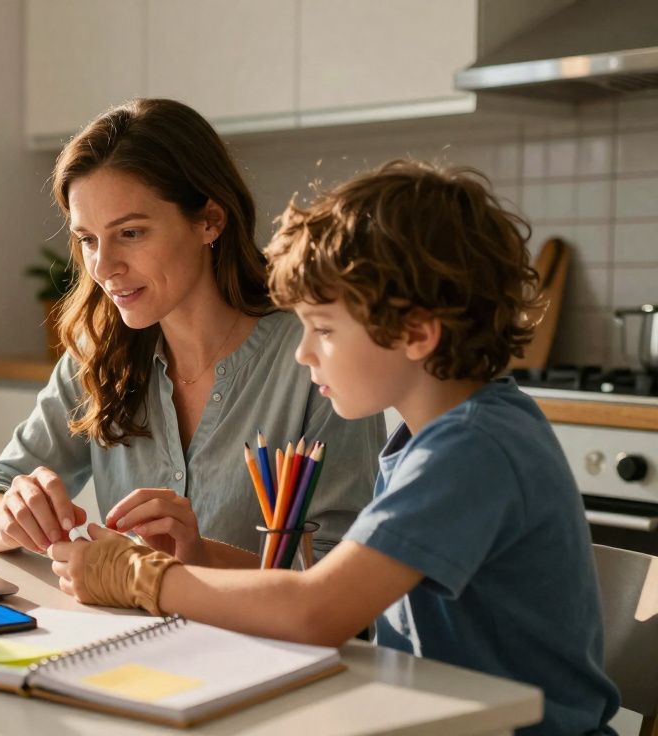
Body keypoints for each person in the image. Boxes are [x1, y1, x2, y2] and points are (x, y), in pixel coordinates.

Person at [48, 160, 620, 735]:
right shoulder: (436, 436)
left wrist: (139, 577)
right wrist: (195, 557)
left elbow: (318, 611)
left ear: (419, 331)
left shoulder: (472, 450)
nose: (303, 353)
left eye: (323, 329)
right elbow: (329, 594)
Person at [0, 98, 383, 567]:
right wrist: (10, 515)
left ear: (209, 221)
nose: (103, 266)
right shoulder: (98, 353)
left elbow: (343, 572)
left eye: (132, 233)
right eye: (87, 239)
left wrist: (192, 562)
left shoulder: (315, 357)